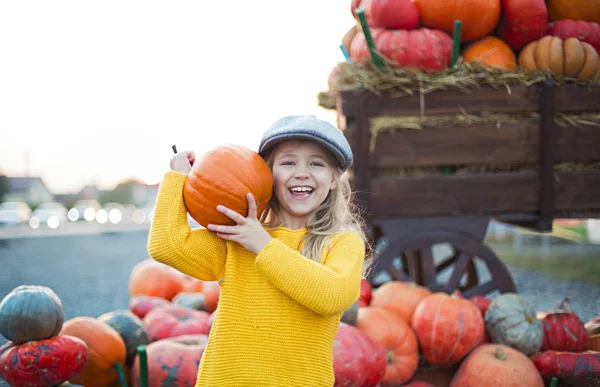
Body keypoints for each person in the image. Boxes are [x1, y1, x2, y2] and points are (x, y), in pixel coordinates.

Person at [147, 115, 370, 386]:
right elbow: (166, 245)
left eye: (316, 163)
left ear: (334, 178)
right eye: (288, 162)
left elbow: (331, 296)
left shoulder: (342, 242)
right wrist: (178, 179)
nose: (302, 172)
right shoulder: (237, 237)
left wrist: (263, 245)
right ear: (267, 173)